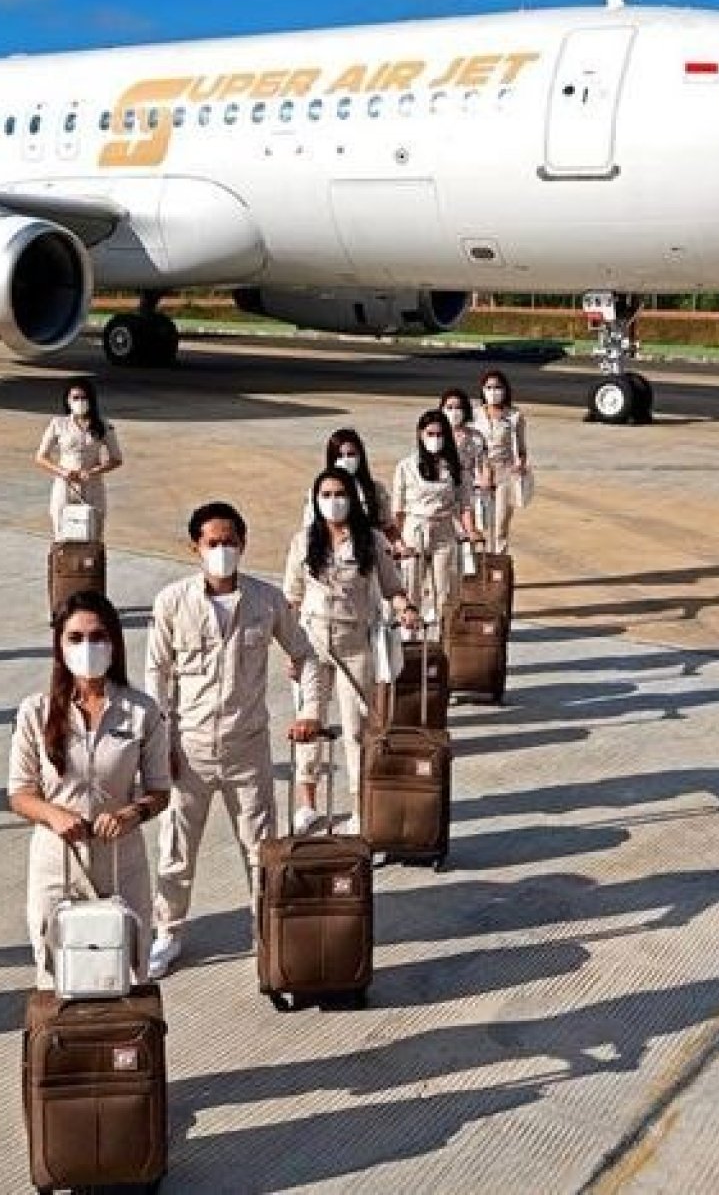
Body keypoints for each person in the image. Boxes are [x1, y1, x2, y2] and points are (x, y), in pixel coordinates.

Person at [143, 501, 328, 980]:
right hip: (188, 748)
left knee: (260, 847)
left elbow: (307, 655)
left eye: (229, 542)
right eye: (212, 543)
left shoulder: (266, 601)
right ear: (195, 548)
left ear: (243, 544)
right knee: (176, 848)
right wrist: (157, 743)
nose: (221, 550)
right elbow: (156, 675)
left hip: (247, 747)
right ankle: (168, 932)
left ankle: (264, 925)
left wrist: (310, 711)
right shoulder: (172, 602)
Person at [8, 590, 172, 990]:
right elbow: (20, 793)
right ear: (60, 646)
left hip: (121, 862)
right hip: (57, 863)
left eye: (98, 636)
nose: (88, 646)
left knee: (127, 974)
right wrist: (54, 815)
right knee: (57, 977)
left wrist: (132, 813)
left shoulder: (142, 711)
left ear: (114, 643)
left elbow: (160, 791)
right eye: (76, 638)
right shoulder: (36, 711)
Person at [282, 468, 419, 835]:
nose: (333, 501)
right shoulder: (303, 542)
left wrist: (406, 608)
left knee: (357, 728)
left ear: (352, 499)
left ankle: (360, 806)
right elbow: (291, 599)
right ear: (315, 500)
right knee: (309, 721)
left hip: (355, 643)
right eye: (325, 495)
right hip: (311, 643)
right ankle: (307, 803)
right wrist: (290, 652)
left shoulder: (370, 540)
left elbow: (392, 587)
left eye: (339, 494)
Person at [392, 410, 480, 624]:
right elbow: (398, 509)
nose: (435, 439)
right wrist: (396, 542)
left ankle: (444, 633)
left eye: (440, 434)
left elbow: (465, 503)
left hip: (444, 529)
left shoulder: (455, 467)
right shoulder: (406, 466)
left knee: (445, 589)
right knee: (411, 586)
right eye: (430, 434)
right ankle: (410, 635)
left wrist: (471, 530)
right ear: (420, 434)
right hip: (415, 529)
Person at [35, 378, 123, 539]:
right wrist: (62, 471)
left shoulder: (103, 425)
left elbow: (116, 459)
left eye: (84, 398)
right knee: (62, 534)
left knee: (93, 535)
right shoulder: (58, 424)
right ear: (68, 400)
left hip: (92, 486)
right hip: (65, 486)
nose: (80, 402)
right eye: (75, 398)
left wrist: (93, 471)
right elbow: (41, 457)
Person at [299, 429, 401, 551]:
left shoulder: (376, 490)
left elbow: (388, 527)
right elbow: (309, 529)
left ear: (360, 456)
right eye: (340, 456)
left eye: (351, 454)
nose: (345, 459)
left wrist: (400, 546)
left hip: (369, 553)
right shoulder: (320, 491)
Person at [473, 369, 532, 554]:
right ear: (483, 390)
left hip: (505, 474)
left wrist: (520, 464)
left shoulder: (514, 416)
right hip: (480, 474)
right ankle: (480, 565)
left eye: (497, 387)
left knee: (500, 526)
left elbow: (521, 449)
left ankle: (499, 563)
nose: (493, 391)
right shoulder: (474, 415)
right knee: (481, 524)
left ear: (505, 390)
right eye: (489, 387)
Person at [439, 387, 489, 532]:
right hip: (442, 484)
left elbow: (484, 462)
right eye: (449, 407)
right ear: (442, 409)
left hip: (467, 485)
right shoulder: (435, 434)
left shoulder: (475, 436)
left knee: (468, 524)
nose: (454, 412)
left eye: (458, 407)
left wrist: (485, 480)